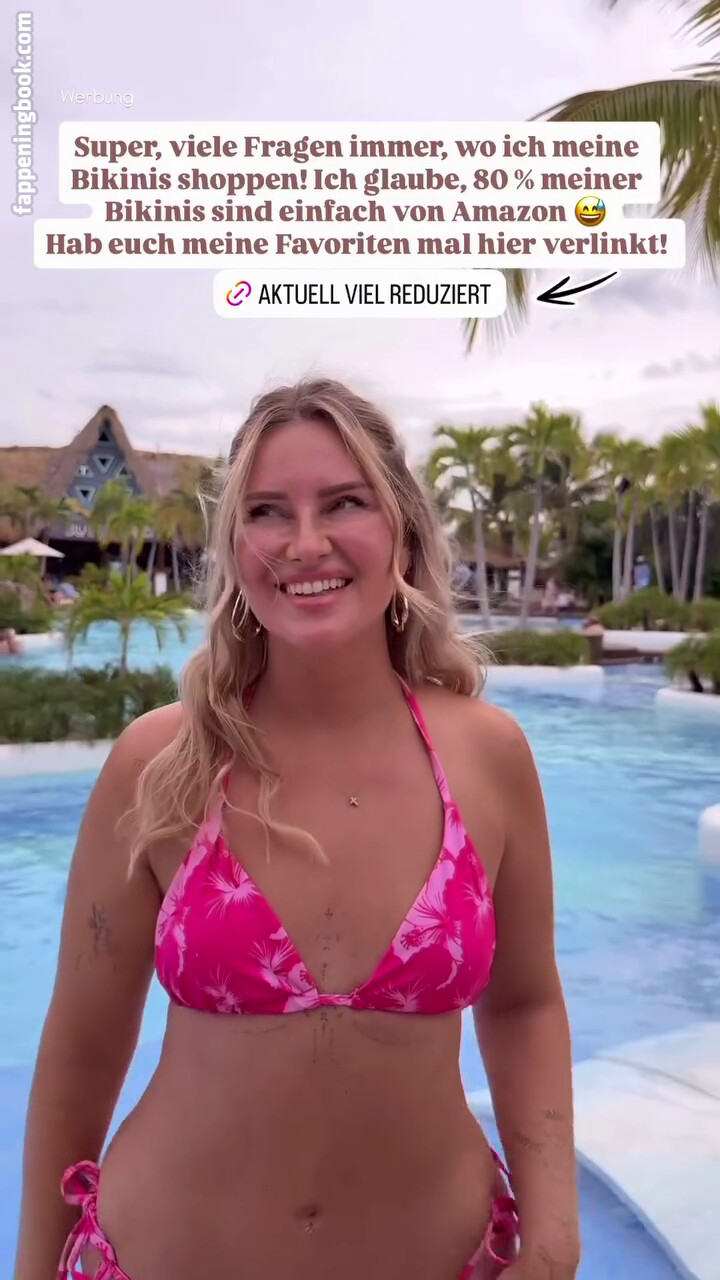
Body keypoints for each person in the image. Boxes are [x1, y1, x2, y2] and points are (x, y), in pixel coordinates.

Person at [14, 379, 580, 1280]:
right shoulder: (162, 765)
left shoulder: (488, 757)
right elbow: (82, 1047)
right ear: (236, 547)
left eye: (344, 503)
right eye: (268, 511)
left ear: (402, 531)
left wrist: (553, 1236)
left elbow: (524, 1004)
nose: (304, 542)